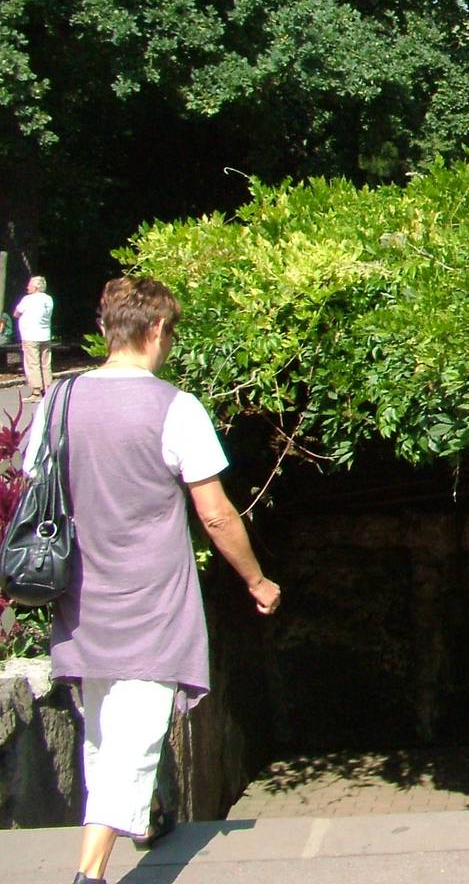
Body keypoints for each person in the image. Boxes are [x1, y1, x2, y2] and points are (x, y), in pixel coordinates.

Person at [21, 277, 281, 884]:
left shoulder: (57, 403)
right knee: (131, 744)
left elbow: (37, 485)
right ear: (158, 329)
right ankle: (89, 877)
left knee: (107, 736)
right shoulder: (175, 407)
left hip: (81, 603)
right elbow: (215, 513)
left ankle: (154, 814)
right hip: (152, 605)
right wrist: (256, 579)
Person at [14, 274, 54, 399]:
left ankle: (36, 391)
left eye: (30, 285)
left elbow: (16, 313)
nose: (27, 287)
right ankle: (48, 387)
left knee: (32, 363)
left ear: (36, 287)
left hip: (30, 335)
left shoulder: (28, 299)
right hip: (45, 334)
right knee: (45, 363)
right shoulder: (49, 299)